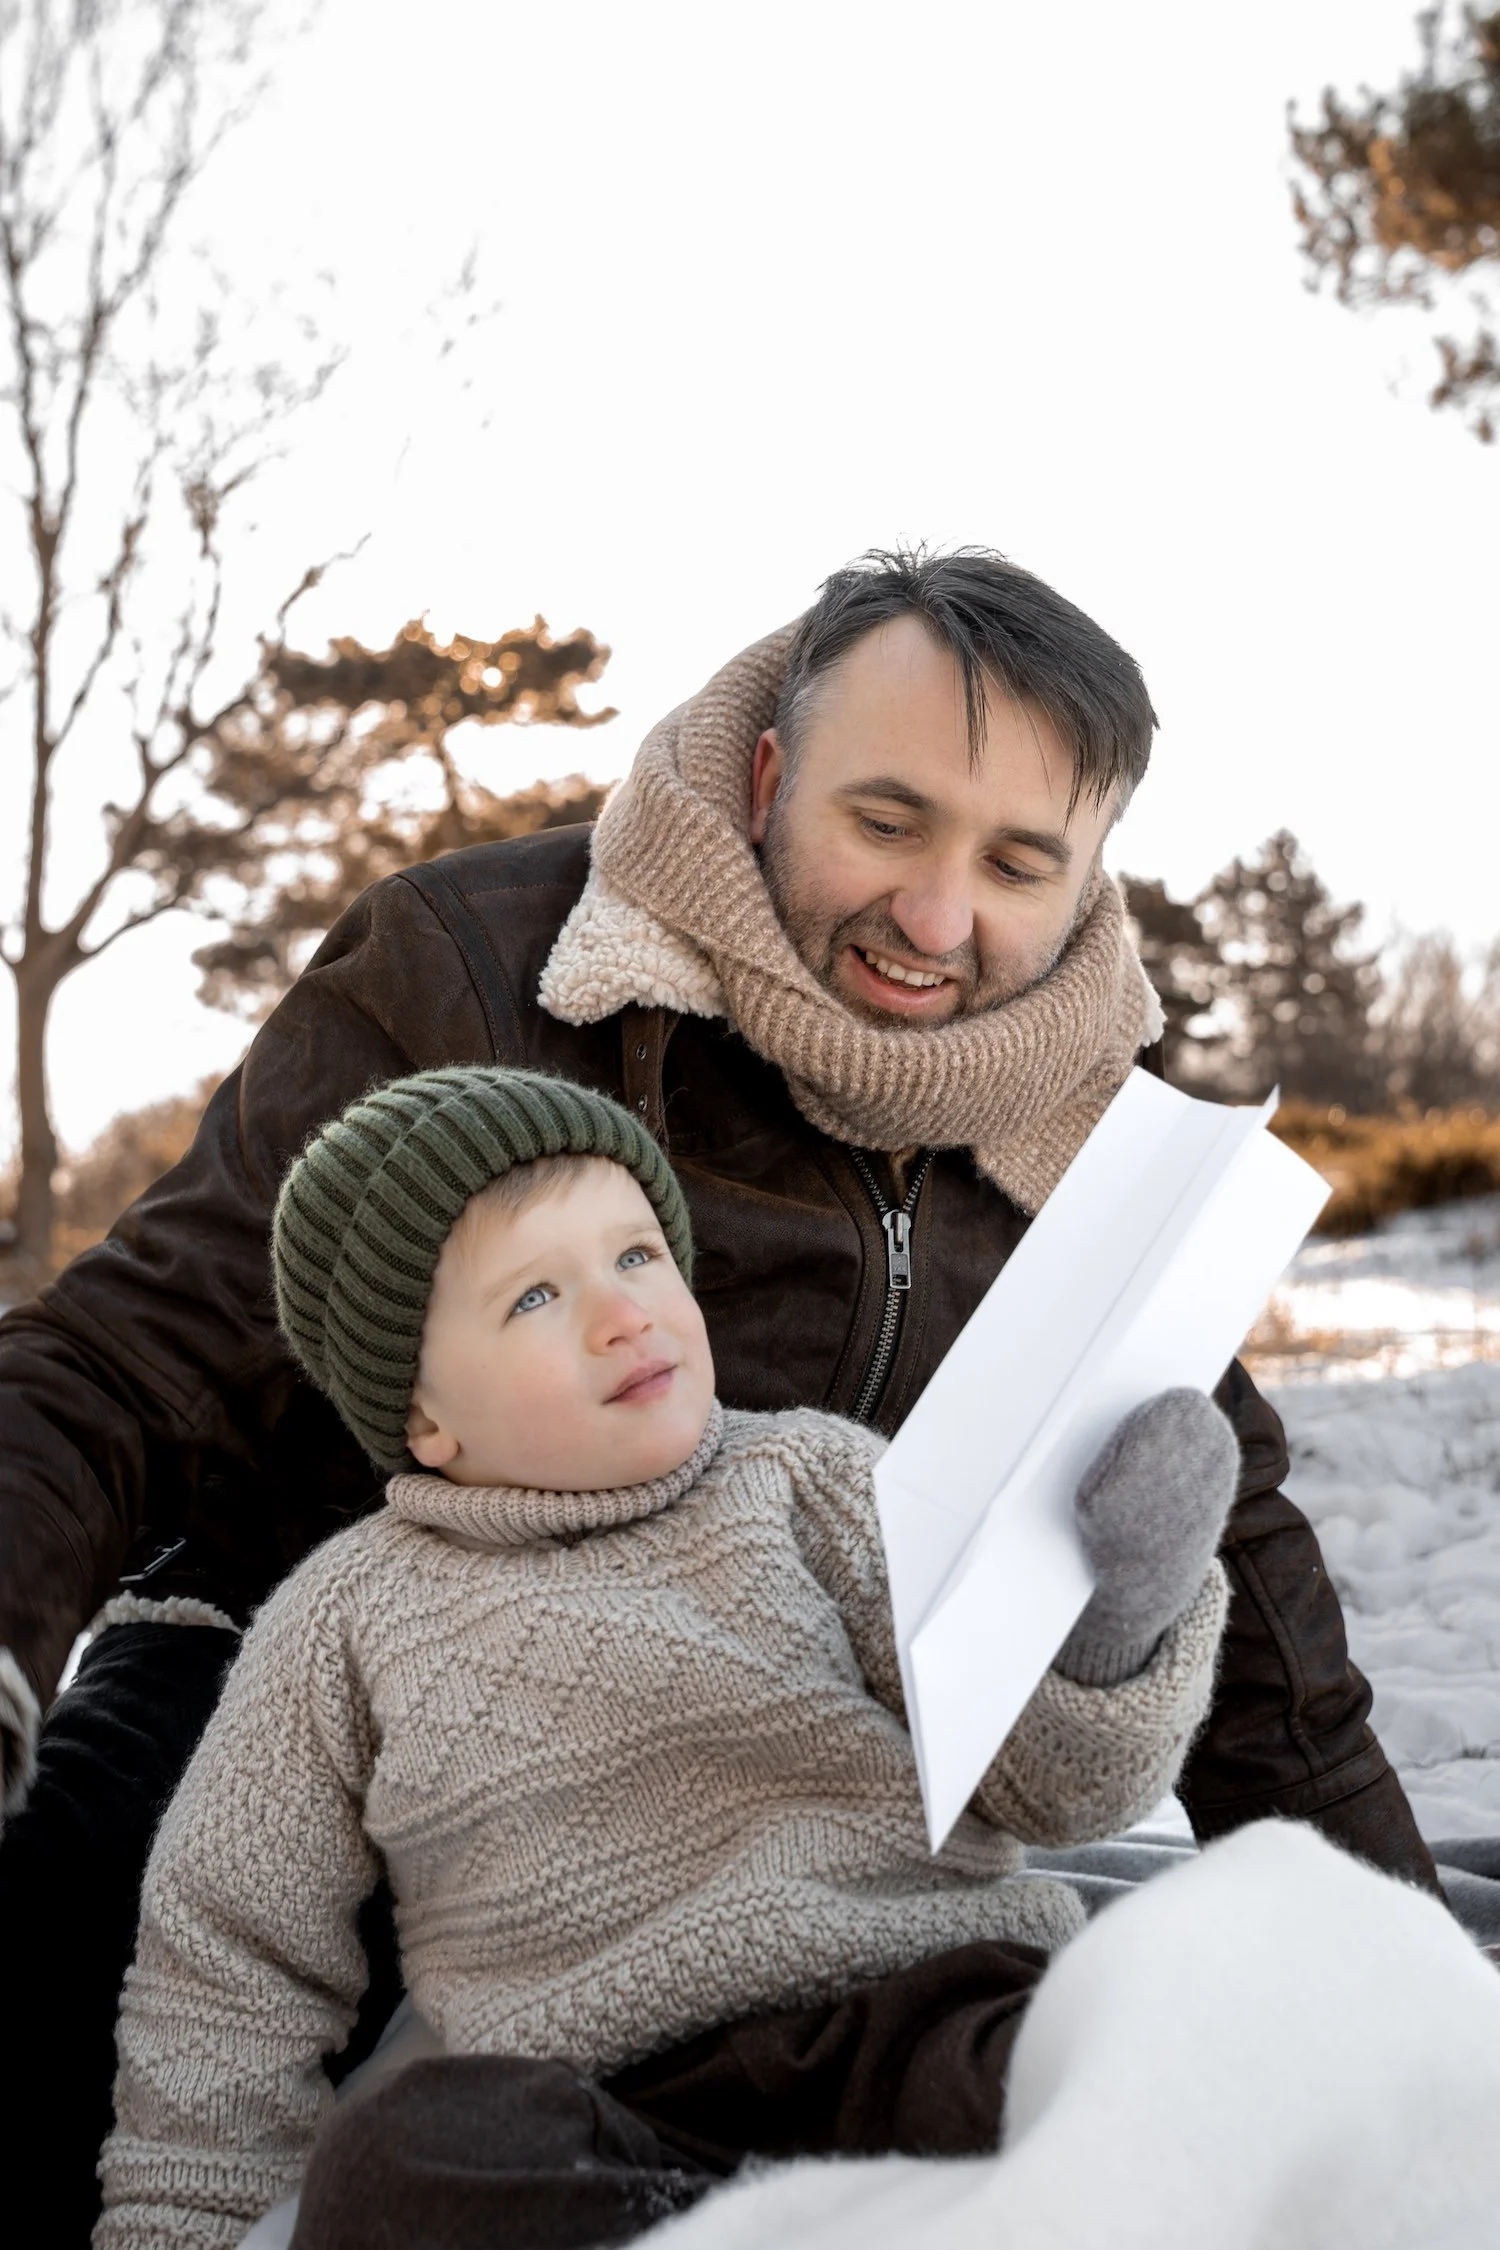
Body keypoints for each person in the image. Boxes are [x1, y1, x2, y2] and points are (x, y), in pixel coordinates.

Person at [0, 546, 1437, 2245]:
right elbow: (120, 1356)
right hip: (313, 1675)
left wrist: (1404, 1993)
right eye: (886, 822)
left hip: (744, 1780)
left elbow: (1241, 1573)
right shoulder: (477, 968)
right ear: (767, 779)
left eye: (1015, 862)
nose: (936, 918)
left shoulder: (1090, 1141)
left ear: (1086, 880)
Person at [96, 1065, 1234, 2250]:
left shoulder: (812, 1480)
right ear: (424, 1418)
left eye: (638, 1256)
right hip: (609, 2102)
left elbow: (1049, 1785)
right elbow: (230, 1953)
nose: (623, 1311)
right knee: (401, 2161)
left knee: (1124, 2046)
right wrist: (185, 2224)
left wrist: (1105, 1637)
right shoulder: (344, 1616)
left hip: (913, 2005)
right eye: (534, 1296)